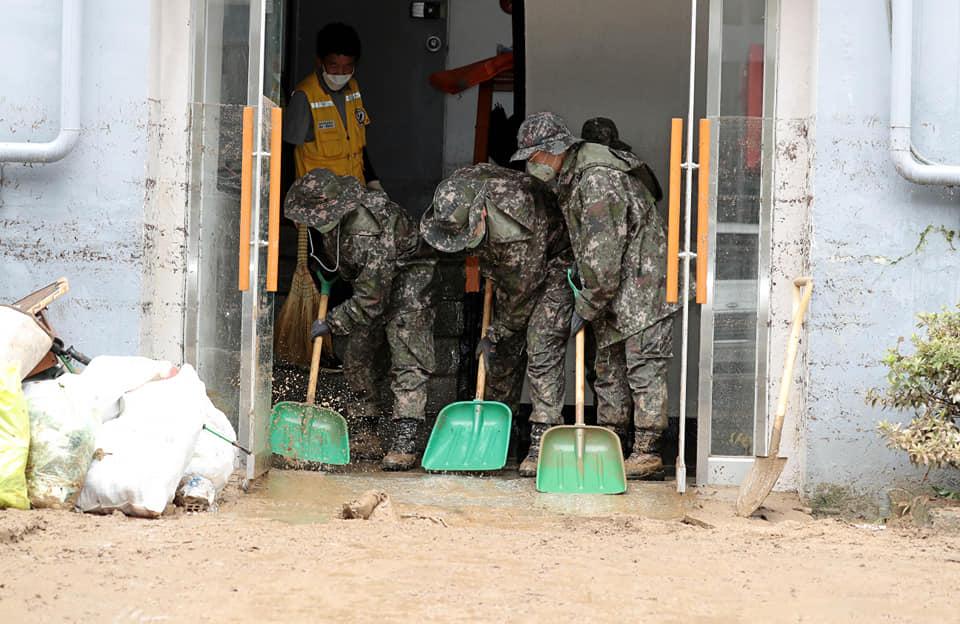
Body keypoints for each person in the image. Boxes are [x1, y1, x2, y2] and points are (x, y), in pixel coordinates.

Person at [511, 112, 676, 479]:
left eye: (535, 157)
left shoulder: (597, 179)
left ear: (555, 151)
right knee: (608, 369)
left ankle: (647, 452)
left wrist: (585, 305)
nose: (532, 166)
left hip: (642, 285)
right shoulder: (575, 178)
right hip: (616, 289)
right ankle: (612, 442)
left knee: (642, 366)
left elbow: (603, 259)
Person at [419, 163, 574, 476]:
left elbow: (525, 293)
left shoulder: (517, 227)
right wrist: (497, 336)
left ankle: (541, 439)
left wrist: (496, 331)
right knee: (500, 355)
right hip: (510, 268)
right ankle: (501, 437)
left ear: (484, 217)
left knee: (541, 344)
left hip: (553, 262)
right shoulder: (456, 192)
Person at [284, 169, 436, 470]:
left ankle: (404, 441)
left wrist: (333, 321)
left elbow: (371, 300)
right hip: (371, 283)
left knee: (407, 354)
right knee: (358, 354)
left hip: (409, 280)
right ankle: (366, 432)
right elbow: (360, 277)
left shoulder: (368, 229)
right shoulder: (338, 215)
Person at [284, 22, 382, 191]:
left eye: (348, 66)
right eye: (334, 66)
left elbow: (357, 146)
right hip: (319, 204)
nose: (341, 73)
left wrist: (373, 181)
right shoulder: (305, 97)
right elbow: (285, 157)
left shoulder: (353, 90)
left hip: (354, 198)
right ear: (319, 62)